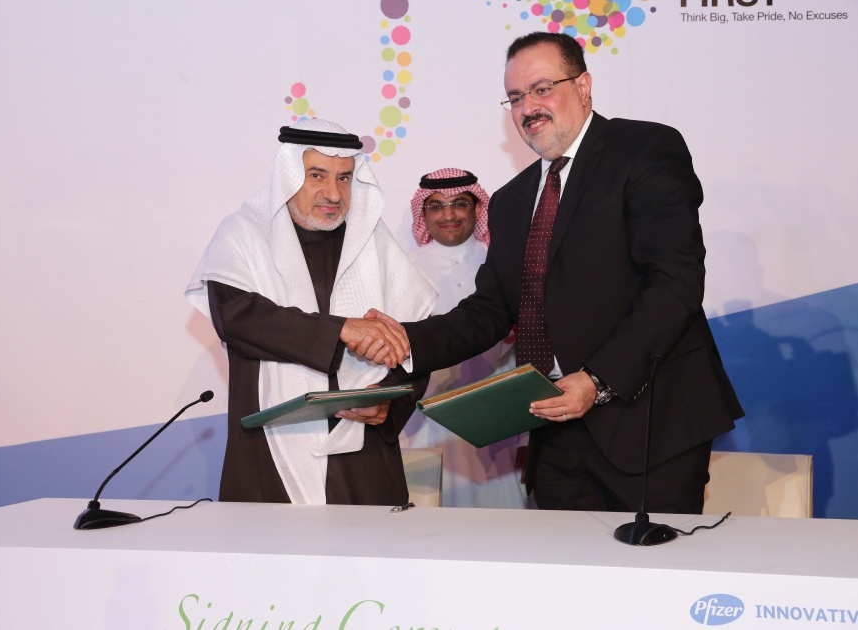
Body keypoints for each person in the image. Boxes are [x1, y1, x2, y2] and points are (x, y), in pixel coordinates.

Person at [371, 32, 744, 514]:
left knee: (651, 563)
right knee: (559, 563)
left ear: (584, 86)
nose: (528, 107)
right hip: (554, 432)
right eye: (515, 97)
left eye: (542, 89)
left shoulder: (644, 149)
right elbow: (489, 311)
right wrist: (403, 341)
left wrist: (597, 380)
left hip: (650, 424)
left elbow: (675, 283)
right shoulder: (510, 201)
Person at [185, 119, 436, 506]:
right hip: (271, 449)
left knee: (369, 544)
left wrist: (388, 397)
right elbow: (238, 318)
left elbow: (414, 342)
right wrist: (342, 330)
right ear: (288, 176)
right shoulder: (244, 235)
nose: (333, 193)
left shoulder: (374, 242)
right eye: (317, 175)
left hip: (359, 452)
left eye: (344, 178)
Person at [401, 168, 528, 508]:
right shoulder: (403, 268)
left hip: (498, 408)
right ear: (423, 213)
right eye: (436, 206)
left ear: (477, 208)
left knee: (504, 511)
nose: (449, 215)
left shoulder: (502, 263)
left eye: (459, 203)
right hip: (427, 414)